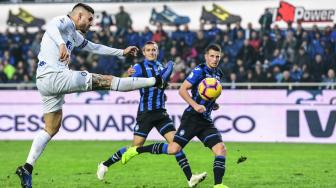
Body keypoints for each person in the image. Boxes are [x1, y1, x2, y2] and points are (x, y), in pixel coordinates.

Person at [15, 3, 167, 188]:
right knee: (109, 81)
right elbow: (52, 26)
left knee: (52, 127)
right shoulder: (63, 22)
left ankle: (27, 168)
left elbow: (95, 48)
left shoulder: (74, 35)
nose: (91, 23)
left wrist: (121, 52)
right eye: (89, 19)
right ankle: (155, 81)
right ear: (78, 16)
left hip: (44, 82)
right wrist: (62, 44)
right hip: (56, 76)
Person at [96, 41, 207, 187]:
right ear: (144, 52)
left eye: (154, 50)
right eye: (148, 50)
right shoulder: (139, 67)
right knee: (135, 147)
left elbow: (161, 86)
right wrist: (127, 74)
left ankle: (190, 178)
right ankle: (105, 164)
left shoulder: (161, 66)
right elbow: (124, 81)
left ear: (157, 51)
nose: (151, 52)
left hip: (161, 113)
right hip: (146, 114)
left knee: (176, 144)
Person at [121, 44, 228, 188]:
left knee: (221, 149)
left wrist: (212, 104)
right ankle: (137, 150)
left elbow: (205, 94)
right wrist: (196, 105)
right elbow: (182, 90)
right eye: (212, 56)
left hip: (205, 120)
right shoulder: (199, 70)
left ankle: (218, 185)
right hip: (192, 117)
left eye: (217, 57)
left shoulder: (219, 73)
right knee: (174, 149)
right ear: (206, 56)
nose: (215, 59)